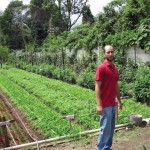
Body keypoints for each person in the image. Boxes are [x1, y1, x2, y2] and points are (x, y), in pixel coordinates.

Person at [95, 45, 122, 150]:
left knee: (111, 129)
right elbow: (97, 86)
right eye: (108, 52)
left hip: (112, 103)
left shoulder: (114, 68)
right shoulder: (101, 68)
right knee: (105, 129)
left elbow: (116, 85)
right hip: (105, 104)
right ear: (104, 54)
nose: (110, 54)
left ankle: (107, 147)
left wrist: (119, 101)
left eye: (112, 52)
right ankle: (100, 148)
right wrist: (99, 105)